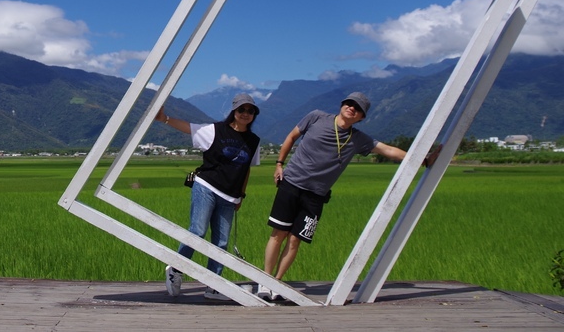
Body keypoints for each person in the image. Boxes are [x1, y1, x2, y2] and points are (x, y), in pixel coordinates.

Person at [258, 92, 440, 301]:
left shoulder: (358, 139)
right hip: (291, 184)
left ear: (361, 117)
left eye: (358, 108)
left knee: (295, 240)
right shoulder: (316, 117)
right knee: (278, 234)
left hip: (316, 196)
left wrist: (424, 160)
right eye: (350, 103)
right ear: (342, 104)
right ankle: (265, 280)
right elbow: (291, 136)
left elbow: (388, 150)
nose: (352, 108)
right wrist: (279, 164)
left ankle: (277, 283)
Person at [155, 93, 261, 300]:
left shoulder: (253, 141)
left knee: (221, 242)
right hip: (206, 187)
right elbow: (189, 128)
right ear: (234, 111)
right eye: (242, 109)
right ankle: (176, 270)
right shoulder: (216, 130)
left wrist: (241, 195)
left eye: (250, 111)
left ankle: (213, 286)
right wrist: (164, 119)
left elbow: (246, 169)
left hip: (230, 196)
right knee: (197, 231)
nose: (246, 114)